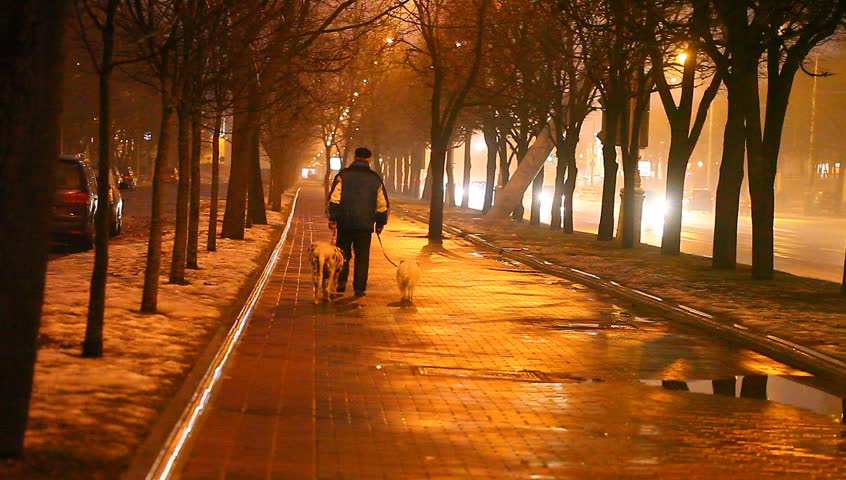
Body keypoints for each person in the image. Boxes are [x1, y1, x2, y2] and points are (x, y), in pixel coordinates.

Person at [327, 147, 389, 297]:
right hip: (365, 226)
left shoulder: (343, 176)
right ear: (369, 159)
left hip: (345, 223)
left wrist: (333, 218)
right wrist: (380, 223)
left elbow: (334, 199)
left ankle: (340, 285)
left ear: (354, 157)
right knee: (362, 257)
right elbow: (382, 204)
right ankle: (359, 288)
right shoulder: (375, 179)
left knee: (343, 255)